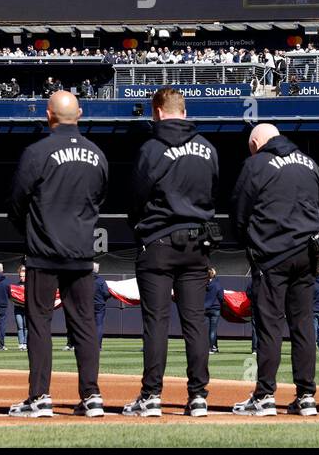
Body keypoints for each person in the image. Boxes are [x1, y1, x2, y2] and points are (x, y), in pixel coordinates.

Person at [6, 91, 109, 417]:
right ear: (78, 113)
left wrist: (32, 230)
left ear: (48, 115)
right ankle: (92, 396)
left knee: (39, 323)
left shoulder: (36, 152)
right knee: (85, 324)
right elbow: (99, 198)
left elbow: (16, 202)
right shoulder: (97, 154)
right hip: (81, 251)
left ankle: (40, 398)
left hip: (43, 252)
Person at [124, 88, 217, 418]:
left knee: (156, 322)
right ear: (184, 109)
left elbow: (135, 196)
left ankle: (151, 396)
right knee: (195, 322)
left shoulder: (151, 147)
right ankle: (198, 397)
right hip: (197, 244)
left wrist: (140, 226)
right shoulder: (207, 148)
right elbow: (211, 191)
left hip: (158, 243)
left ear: (158, 112)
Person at [232, 122, 319, 416]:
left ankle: (265, 396)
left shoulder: (256, 163)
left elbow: (240, 210)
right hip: (307, 253)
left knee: (269, 327)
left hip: (272, 255)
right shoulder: (310, 162)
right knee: (303, 325)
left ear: (256, 144)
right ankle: (307, 395)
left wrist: (249, 243)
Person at [205, 267, 225, 354]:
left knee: (207, 330)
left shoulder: (202, 284)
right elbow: (221, 297)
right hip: (215, 309)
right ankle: (211, 348)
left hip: (204, 309)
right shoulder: (217, 284)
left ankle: (213, 347)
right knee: (213, 330)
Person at [93, 263, 110, 350]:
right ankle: (97, 346)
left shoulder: (84, 279)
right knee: (99, 325)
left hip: (87, 305)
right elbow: (106, 293)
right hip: (99, 305)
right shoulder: (101, 280)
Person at [13, 265, 29, 351]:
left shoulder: (29, 285)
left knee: (26, 326)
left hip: (27, 308)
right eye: (20, 276)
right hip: (18, 308)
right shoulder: (16, 285)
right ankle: (21, 343)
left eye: (23, 276)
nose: (22, 278)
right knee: (20, 326)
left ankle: (25, 343)